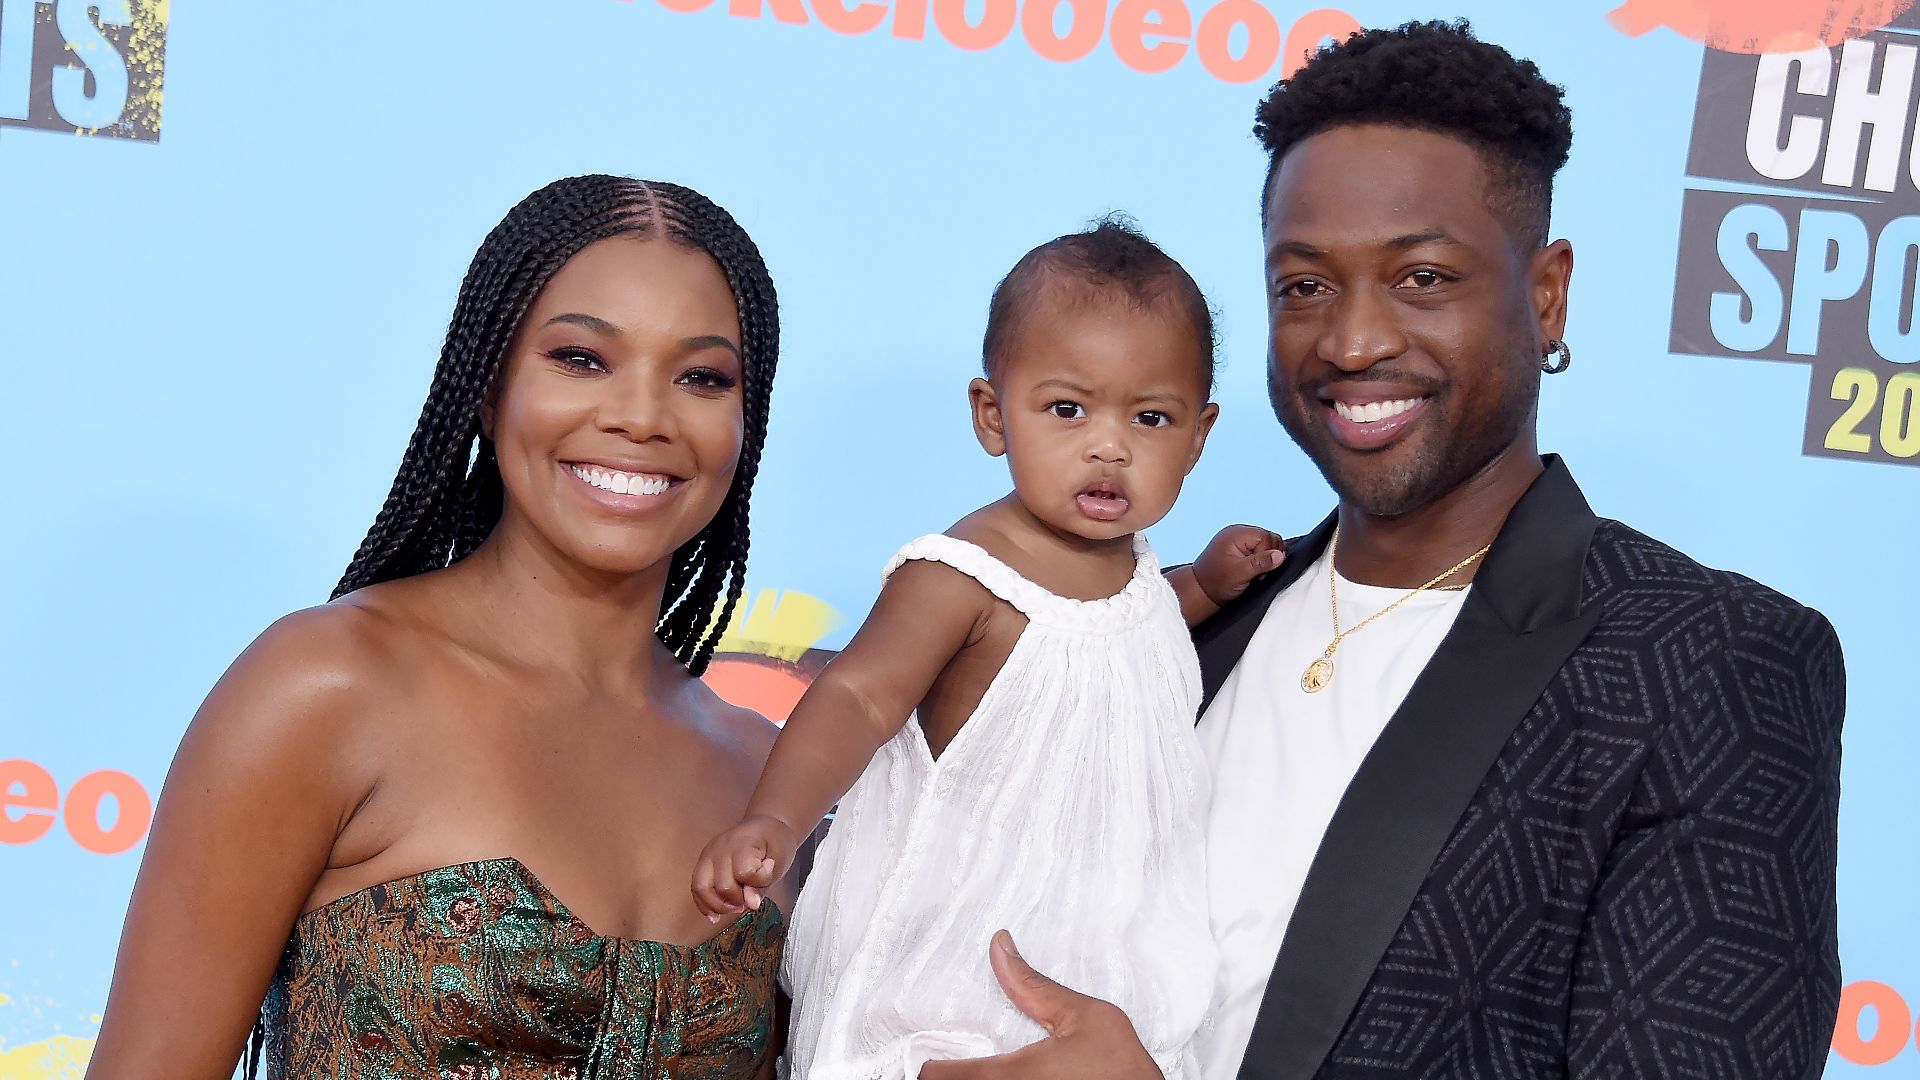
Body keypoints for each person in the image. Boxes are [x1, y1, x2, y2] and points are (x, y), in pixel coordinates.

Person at [925, 21, 1846, 1080]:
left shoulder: (1708, 664)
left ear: (1545, 294)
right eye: (1305, 287)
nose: (1352, 342)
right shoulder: (1182, 619)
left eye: (1421, 278)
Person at [86, 176, 796, 1080]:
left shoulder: (768, 773)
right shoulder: (327, 687)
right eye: (581, 359)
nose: (640, 417)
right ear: (487, 387)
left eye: (702, 377)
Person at [690, 219, 1285, 1080]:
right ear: (992, 415)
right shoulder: (963, 576)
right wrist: (775, 817)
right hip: (952, 948)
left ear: (1198, 436)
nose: (1109, 444)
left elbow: (1131, 627)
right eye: (1067, 408)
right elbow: (858, 696)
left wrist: (1207, 585)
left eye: (1150, 417)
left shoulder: (1136, 572)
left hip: (1102, 942)